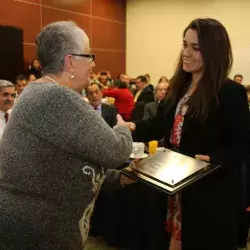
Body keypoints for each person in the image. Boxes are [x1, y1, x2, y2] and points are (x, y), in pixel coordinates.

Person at [0, 21, 133, 249]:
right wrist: (122, 126)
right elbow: (117, 150)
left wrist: (116, 179)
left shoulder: (35, 91)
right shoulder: (58, 98)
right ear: (70, 62)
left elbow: (64, 163)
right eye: (89, 56)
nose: (92, 65)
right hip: (40, 233)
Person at [126, 18, 250, 250]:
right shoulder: (180, 86)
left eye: (196, 48)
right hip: (178, 185)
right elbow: (159, 125)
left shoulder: (230, 92)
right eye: (184, 45)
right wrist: (131, 127)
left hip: (211, 192)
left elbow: (241, 144)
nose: (186, 52)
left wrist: (214, 159)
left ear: (213, 52)